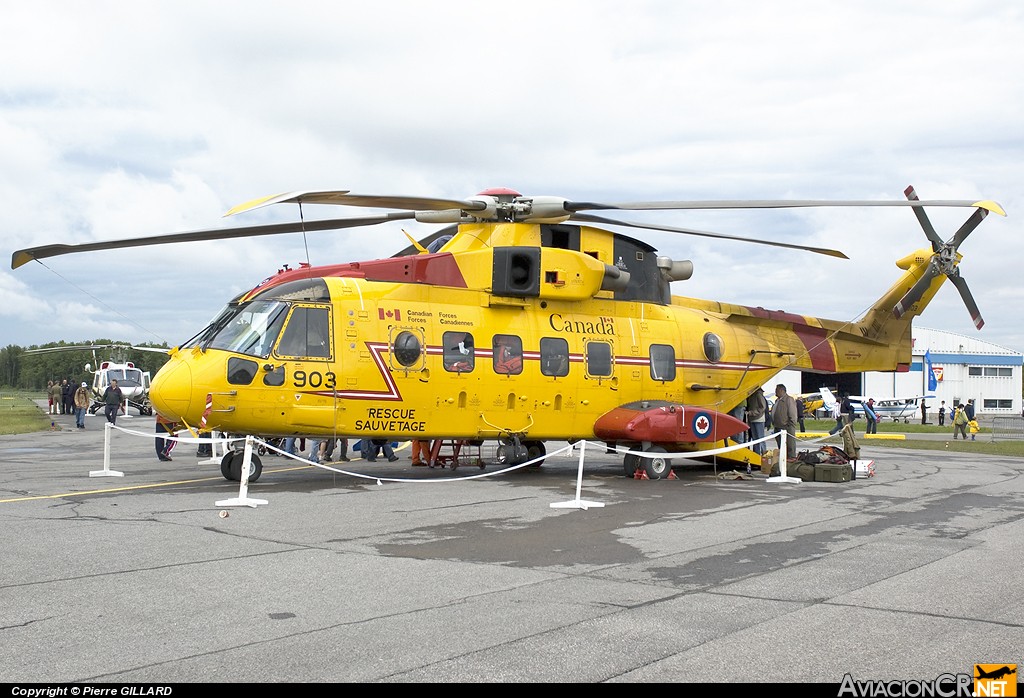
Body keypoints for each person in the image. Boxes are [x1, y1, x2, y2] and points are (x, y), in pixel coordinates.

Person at [770, 383, 798, 457]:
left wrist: (790, 425)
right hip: (778, 427)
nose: (775, 391)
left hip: (786, 427)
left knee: (790, 446)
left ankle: (791, 461)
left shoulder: (789, 399)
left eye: (777, 390)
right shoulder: (777, 400)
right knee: (781, 447)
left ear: (782, 390)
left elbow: (793, 413)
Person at [745, 388, 768, 456]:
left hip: (758, 419)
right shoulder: (752, 395)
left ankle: (764, 454)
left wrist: (752, 413)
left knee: (760, 438)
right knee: (755, 439)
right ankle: (757, 455)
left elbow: (763, 407)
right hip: (752, 419)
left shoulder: (758, 395)